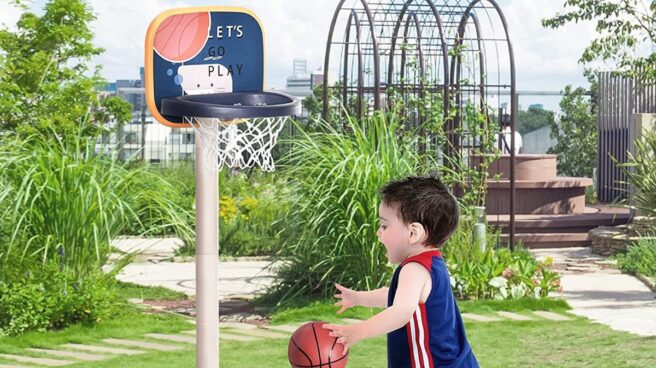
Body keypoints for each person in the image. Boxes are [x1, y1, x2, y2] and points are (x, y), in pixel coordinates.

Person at [323, 174, 479, 368]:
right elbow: (396, 297)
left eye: (384, 225)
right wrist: (358, 298)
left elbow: (401, 311)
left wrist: (357, 331)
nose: (379, 233)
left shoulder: (414, 269)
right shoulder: (431, 263)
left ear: (413, 233)